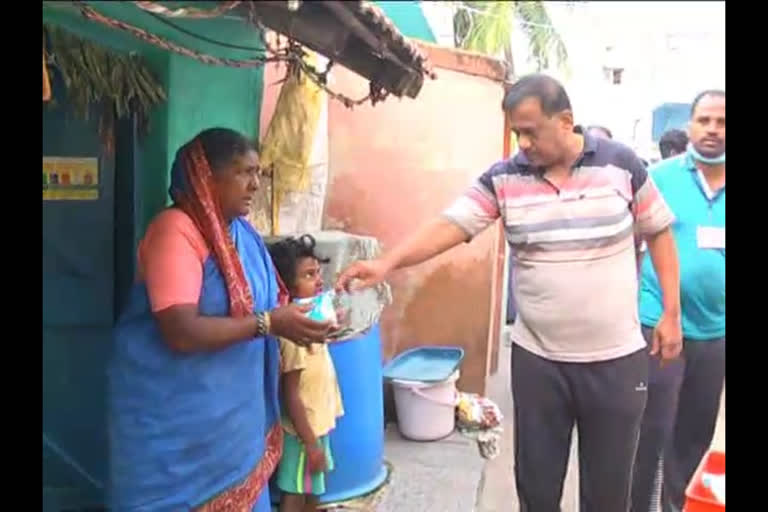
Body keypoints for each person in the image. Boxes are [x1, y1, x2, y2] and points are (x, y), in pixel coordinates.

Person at [337, 74, 683, 512]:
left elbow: (659, 233)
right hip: (540, 363)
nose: (522, 143)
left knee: (609, 494)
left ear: (565, 121)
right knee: (536, 490)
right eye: (516, 132)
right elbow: (452, 224)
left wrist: (672, 312)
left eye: (530, 131)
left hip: (615, 361)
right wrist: (387, 262)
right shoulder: (505, 177)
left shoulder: (621, 165)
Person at [108, 128, 335, 511]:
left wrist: (305, 320)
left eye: (257, 174)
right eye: (243, 173)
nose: (254, 185)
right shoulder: (175, 230)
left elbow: (271, 301)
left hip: (232, 431)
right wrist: (269, 324)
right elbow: (180, 330)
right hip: (177, 436)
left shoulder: (241, 234)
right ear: (206, 175)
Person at [631, 90, 725, 512]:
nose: (712, 130)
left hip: (716, 333)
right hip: (659, 324)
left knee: (693, 434)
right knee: (648, 431)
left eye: (722, 122)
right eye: (704, 120)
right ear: (690, 125)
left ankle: (674, 507)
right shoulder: (661, 177)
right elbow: (629, 241)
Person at [269, 235, 344, 512]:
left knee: (313, 488)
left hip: (317, 425)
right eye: (309, 275)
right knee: (295, 491)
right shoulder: (293, 336)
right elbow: (291, 394)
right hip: (303, 432)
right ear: (288, 286)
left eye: (318, 273)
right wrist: (311, 444)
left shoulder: (310, 324)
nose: (319, 280)